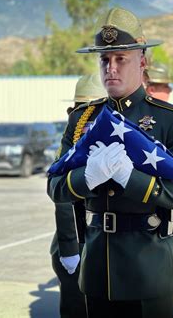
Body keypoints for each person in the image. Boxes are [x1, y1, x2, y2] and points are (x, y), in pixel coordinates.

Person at [47, 7, 173, 318]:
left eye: (121, 59)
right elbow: (55, 186)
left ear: (142, 61)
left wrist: (131, 179)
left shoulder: (170, 120)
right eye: (105, 60)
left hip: (149, 266)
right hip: (98, 268)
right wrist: (85, 178)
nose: (111, 68)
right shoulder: (83, 119)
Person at [49, 73, 107, 318]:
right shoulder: (73, 144)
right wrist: (69, 248)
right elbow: (62, 198)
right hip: (77, 242)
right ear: (72, 112)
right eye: (84, 111)